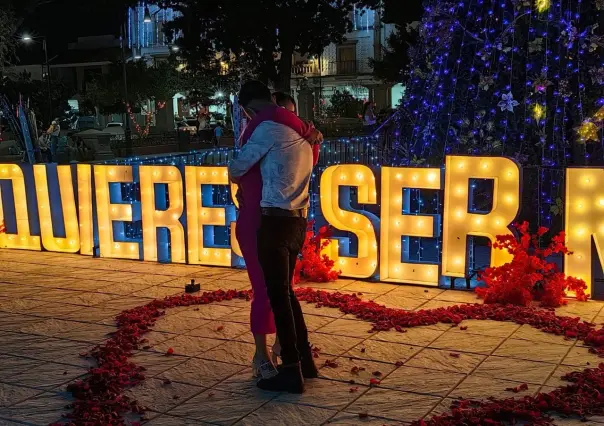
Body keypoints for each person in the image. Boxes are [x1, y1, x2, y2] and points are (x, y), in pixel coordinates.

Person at [229, 81, 320, 393]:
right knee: (287, 294)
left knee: (277, 296)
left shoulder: (267, 129)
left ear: (247, 108)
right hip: (298, 219)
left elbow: (237, 167)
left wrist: (237, 167)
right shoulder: (305, 133)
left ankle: (292, 369)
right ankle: (305, 360)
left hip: (273, 221)